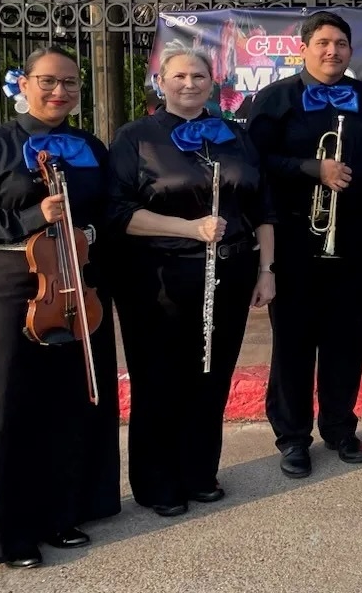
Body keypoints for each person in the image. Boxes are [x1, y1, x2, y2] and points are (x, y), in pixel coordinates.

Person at [0, 46, 120, 571]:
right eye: (48, 81)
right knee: (4, 408)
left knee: (66, 404)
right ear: (23, 84)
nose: (60, 92)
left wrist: (89, 230)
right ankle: (7, 533)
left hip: (73, 284)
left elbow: (111, 211)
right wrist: (30, 216)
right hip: (5, 285)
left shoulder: (88, 146)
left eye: (70, 83)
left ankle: (59, 513)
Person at [107, 43, 276, 516]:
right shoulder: (136, 137)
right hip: (157, 278)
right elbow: (119, 213)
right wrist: (188, 228)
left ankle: (199, 471)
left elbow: (261, 206)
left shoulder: (234, 136)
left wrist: (267, 271)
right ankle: (157, 483)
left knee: (211, 375)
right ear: (160, 82)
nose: (189, 84)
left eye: (198, 76)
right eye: (178, 76)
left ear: (212, 83)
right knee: (160, 378)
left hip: (232, 273)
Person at [246, 11, 362, 478]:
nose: (333, 51)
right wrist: (314, 169)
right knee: (293, 342)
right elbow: (257, 164)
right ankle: (292, 438)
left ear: (351, 51)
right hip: (293, 238)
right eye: (324, 42)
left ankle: (340, 428)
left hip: (355, 240)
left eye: (341, 44)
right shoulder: (276, 99)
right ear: (304, 48)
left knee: (346, 340)